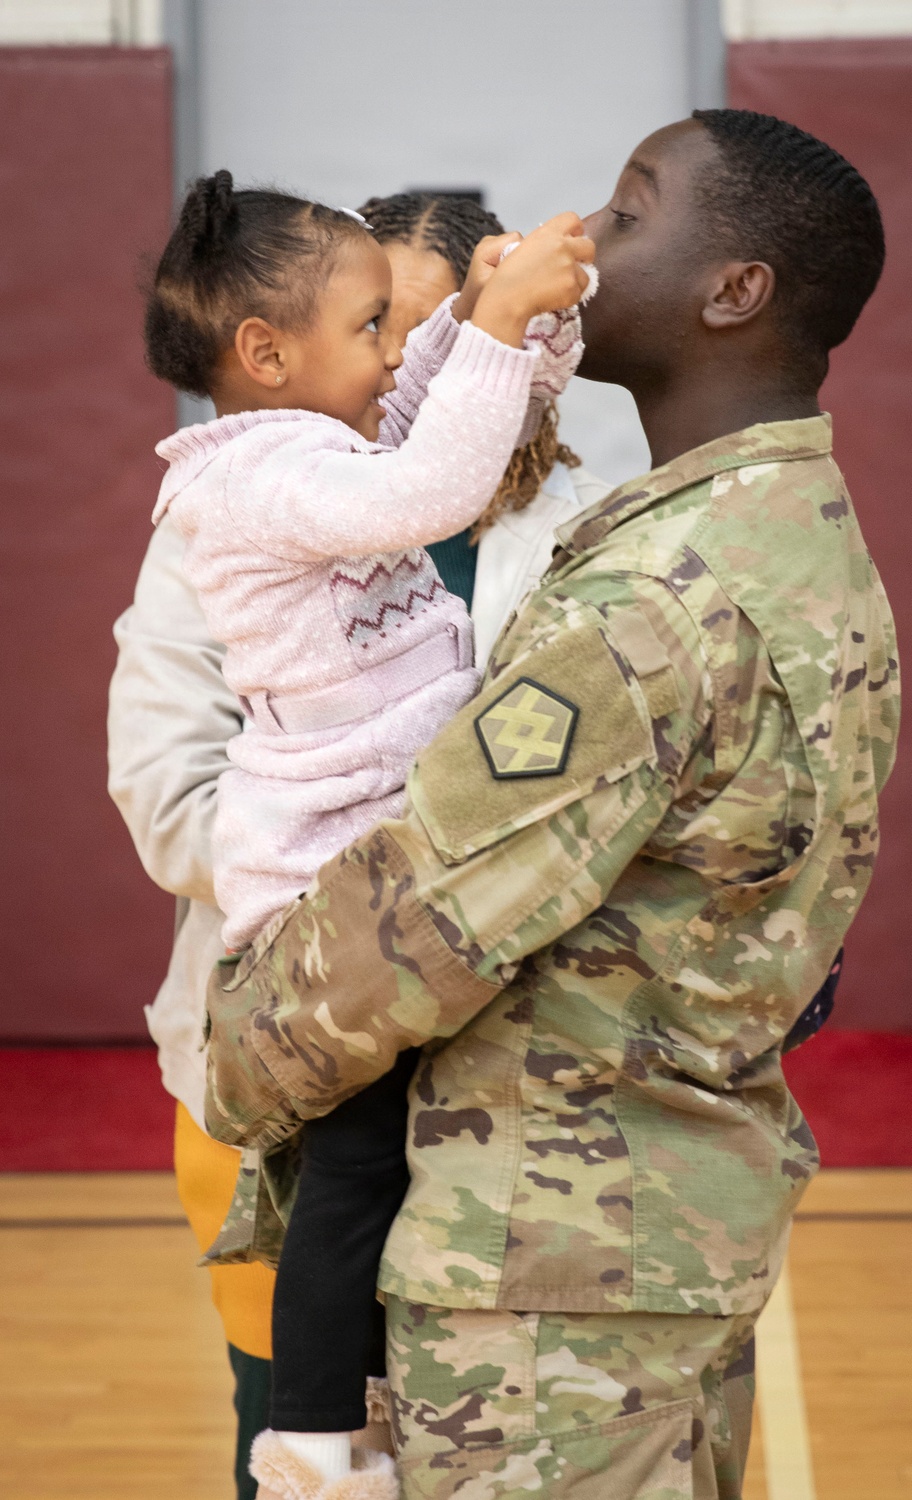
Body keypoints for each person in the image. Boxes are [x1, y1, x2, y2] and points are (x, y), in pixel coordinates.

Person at [202, 108, 900, 1500]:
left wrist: (237, 1054)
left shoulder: (657, 596)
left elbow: (414, 926)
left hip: (545, 1296)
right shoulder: (797, 542)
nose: (587, 231)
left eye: (632, 212)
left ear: (735, 290)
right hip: (651, 1250)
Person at [108, 190, 609, 1499]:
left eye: (415, 323)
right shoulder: (278, 484)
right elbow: (167, 792)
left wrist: (503, 319)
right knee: (338, 1215)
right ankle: (315, 1450)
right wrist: (398, 892)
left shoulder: (549, 521)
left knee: (470, 1388)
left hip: (493, 1061)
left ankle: (334, 1442)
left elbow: (431, 421)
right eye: (376, 322)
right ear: (273, 351)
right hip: (318, 949)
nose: (399, 354)